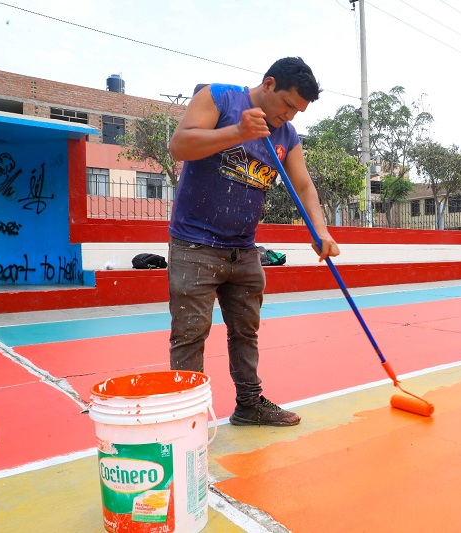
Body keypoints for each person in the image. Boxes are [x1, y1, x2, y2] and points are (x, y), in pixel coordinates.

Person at [167, 57, 339, 427]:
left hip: (243, 249)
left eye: (299, 111)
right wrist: (238, 134)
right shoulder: (219, 98)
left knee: (246, 331)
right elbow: (179, 146)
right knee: (190, 334)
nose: (290, 116)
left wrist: (320, 230)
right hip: (194, 244)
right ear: (269, 83)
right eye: (288, 105)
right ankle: (185, 417)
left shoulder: (286, 135)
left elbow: (304, 184)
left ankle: (249, 404)